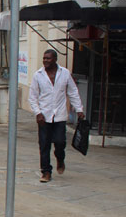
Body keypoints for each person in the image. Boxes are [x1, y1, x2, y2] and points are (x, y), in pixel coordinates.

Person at [28, 49, 85, 183]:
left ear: (55, 59)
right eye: (44, 58)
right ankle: (46, 172)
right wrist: (37, 112)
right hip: (44, 116)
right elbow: (32, 97)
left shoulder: (64, 73)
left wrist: (79, 109)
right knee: (44, 145)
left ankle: (60, 158)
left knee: (60, 142)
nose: (45, 61)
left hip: (59, 115)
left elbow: (73, 92)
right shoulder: (38, 75)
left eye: (48, 58)